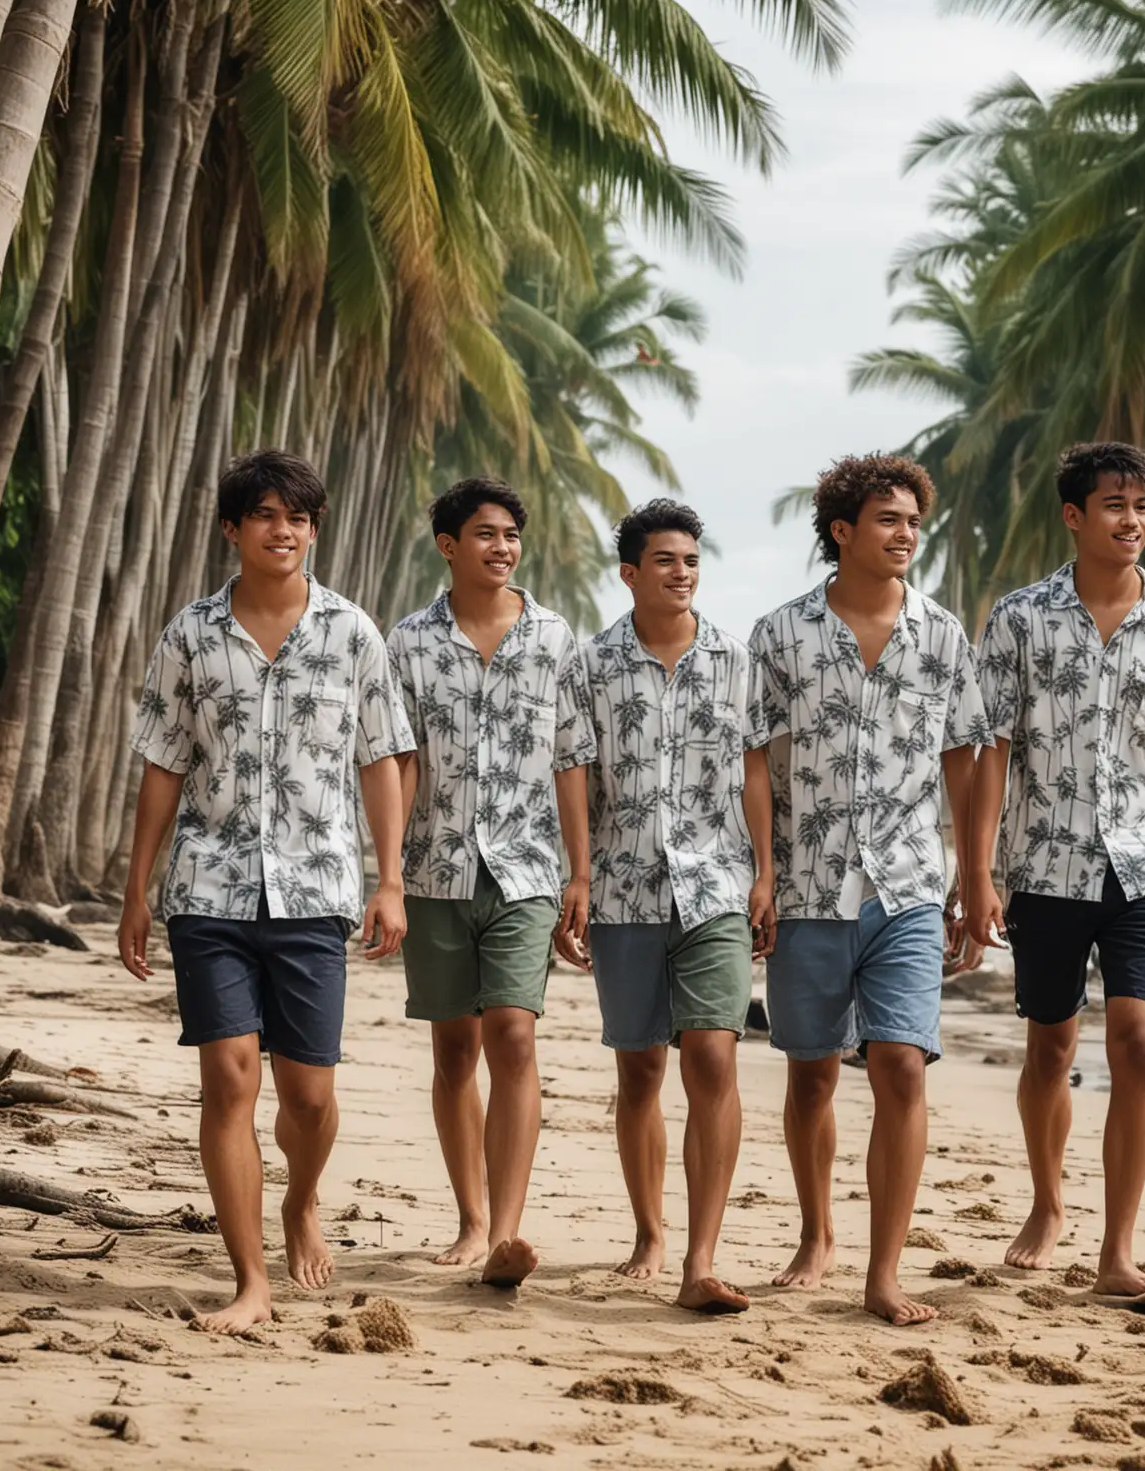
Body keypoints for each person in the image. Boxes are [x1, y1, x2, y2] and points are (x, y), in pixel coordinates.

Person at [118, 451, 414, 1334]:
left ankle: (301, 1200)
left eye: (299, 517)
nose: (283, 529)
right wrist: (138, 890)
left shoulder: (354, 633)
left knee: (310, 1098)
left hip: (317, 890)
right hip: (207, 888)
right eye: (265, 515)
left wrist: (390, 878)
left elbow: (381, 760)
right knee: (228, 1079)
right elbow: (164, 765)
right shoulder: (190, 636)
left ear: (314, 531)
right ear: (232, 529)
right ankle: (250, 1279)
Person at [964, 440, 1145, 1312]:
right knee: (1050, 1045)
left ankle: (1117, 1250)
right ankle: (1049, 1204)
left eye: (1142, 505)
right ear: (1074, 516)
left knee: (1136, 1040)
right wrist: (976, 872)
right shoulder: (1019, 620)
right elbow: (992, 753)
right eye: (1115, 505)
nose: (1133, 521)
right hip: (1045, 866)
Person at [746, 454, 989, 1327]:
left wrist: (977, 876)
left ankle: (884, 1272)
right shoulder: (779, 635)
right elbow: (755, 762)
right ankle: (817, 1233)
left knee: (899, 1065)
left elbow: (967, 757)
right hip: (809, 886)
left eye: (914, 522)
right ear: (842, 531)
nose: (906, 535)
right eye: (888, 520)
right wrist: (762, 872)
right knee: (810, 1074)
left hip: (911, 886)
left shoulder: (943, 634)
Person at [387, 476, 595, 1290]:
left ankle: (507, 1231)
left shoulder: (554, 638)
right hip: (435, 866)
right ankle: (471, 1219)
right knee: (453, 1048)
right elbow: (399, 763)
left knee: (512, 1030)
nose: (501, 547)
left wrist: (581, 872)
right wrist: (390, 877)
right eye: (484, 534)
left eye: (511, 534)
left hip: (526, 866)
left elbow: (571, 759)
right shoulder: (408, 643)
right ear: (448, 545)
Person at [582, 500, 767, 1316]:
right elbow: (575, 778)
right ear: (630, 573)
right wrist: (576, 878)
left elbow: (756, 768)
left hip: (718, 885)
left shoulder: (735, 658)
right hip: (623, 886)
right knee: (640, 1068)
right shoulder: (589, 667)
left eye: (691, 559)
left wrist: (764, 872)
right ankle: (649, 1233)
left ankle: (701, 1257)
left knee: (714, 1060)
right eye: (664, 560)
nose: (682, 572)